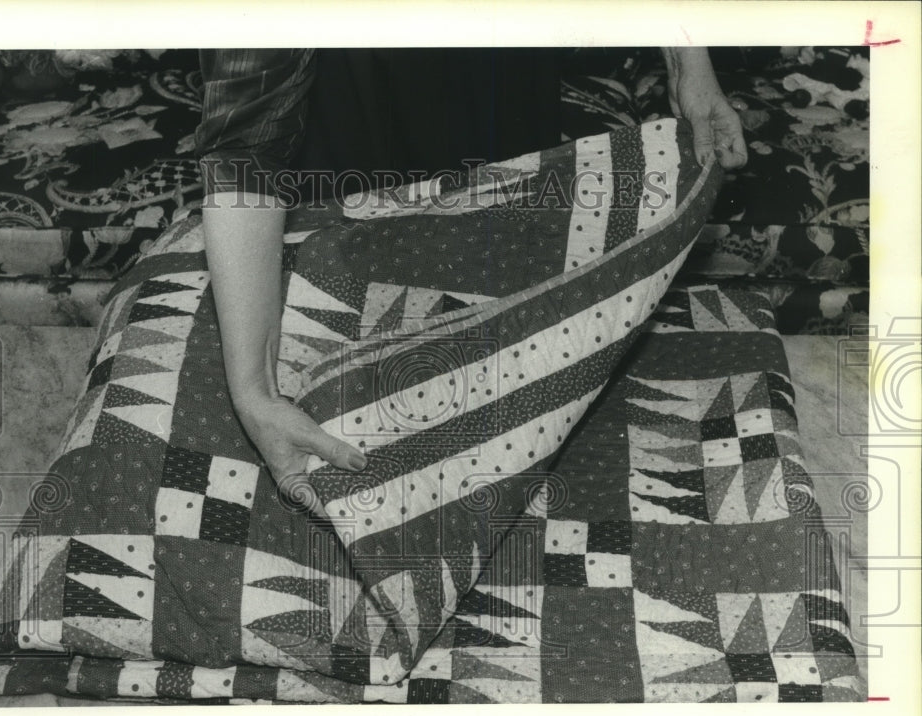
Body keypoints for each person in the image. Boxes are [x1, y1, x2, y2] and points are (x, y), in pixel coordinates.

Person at [195, 47, 747, 510]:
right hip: (350, 91)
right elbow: (245, 148)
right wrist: (256, 393)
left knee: (508, 332)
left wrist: (686, 62)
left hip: (495, 62)